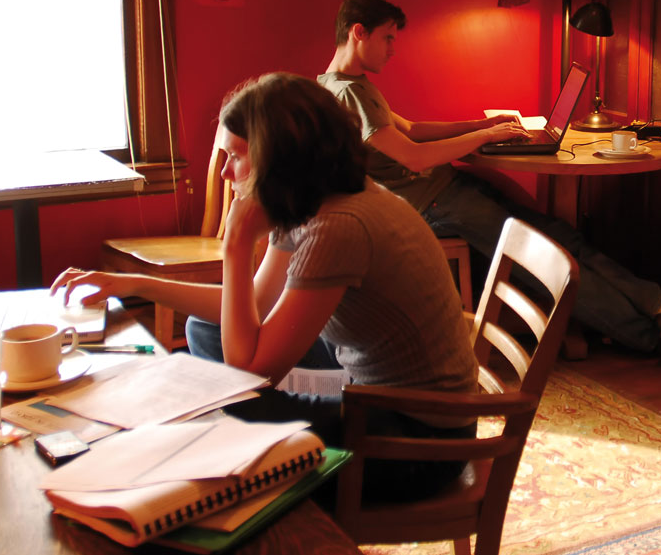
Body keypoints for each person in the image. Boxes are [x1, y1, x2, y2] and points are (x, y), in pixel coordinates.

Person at [51, 72, 479, 500]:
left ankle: (246, 479)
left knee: (234, 397)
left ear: (279, 159)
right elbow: (254, 303)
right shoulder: (310, 201)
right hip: (364, 385)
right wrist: (134, 285)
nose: (225, 172)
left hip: (419, 440)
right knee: (207, 329)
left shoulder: (339, 226)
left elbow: (249, 371)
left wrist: (236, 246)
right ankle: (235, 449)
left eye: (236, 155)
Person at [318, 0, 661, 356]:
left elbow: (412, 130)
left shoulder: (349, 85)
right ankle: (649, 335)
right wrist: (485, 136)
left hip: (446, 192)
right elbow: (413, 157)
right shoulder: (348, 93)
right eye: (387, 38)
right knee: (549, 260)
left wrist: (482, 125)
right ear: (358, 32)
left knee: (561, 237)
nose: (392, 49)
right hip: (433, 205)